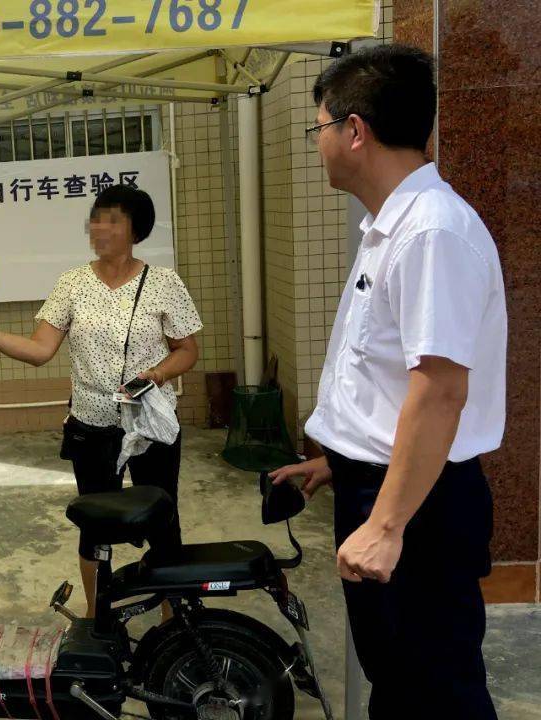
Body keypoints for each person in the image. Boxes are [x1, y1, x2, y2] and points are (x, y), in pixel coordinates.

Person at [270, 45, 505, 719]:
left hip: (417, 509)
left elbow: (439, 391)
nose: (317, 144)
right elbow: (390, 379)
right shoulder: (391, 226)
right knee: (401, 682)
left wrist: (387, 521)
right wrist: (338, 460)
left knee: (435, 690)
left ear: (354, 131)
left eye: (318, 127)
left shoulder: (432, 231)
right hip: (386, 485)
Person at [0, 184, 202, 619]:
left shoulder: (164, 282)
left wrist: (157, 374)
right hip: (91, 427)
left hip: (150, 425)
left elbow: (187, 349)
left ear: (136, 231)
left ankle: (171, 618)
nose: (99, 227)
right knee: (95, 525)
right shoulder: (72, 283)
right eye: (96, 218)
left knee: (164, 520)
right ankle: (97, 615)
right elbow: (39, 350)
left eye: (112, 219)